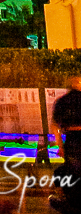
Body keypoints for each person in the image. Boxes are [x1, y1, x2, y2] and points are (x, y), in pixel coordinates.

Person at [51, 71, 81, 214]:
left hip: (71, 138)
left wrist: (59, 145)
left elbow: (55, 125)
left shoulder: (62, 101)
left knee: (73, 170)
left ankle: (72, 201)